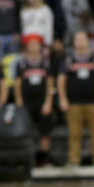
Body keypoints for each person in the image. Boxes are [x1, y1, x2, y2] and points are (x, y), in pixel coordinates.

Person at [58, 31, 94, 167]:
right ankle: (74, 160)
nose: (81, 42)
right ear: (74, 42)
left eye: (83, 39)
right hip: (74, 103)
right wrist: (63, 99)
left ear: (88, 41)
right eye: (78, 39)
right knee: (74, 134)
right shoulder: (69, 58)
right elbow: (61, 79)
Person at [13, 34, 55, 164]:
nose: (34, 47)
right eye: (31, 44)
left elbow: (50, 83)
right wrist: (19, 100)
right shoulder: (21, 63)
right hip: (27, 102)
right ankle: (27, 159)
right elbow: (18, 83)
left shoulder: (46, 62)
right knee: (26, 131)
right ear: (26, 47)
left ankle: (45, 158)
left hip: (42, 102)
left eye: (36, 44)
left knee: (45, 132)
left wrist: (48, 102)